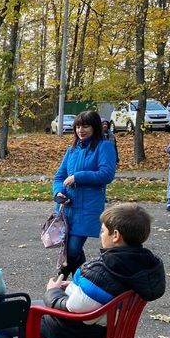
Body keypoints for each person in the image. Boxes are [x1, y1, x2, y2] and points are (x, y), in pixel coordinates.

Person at [0, 204, 166, 338]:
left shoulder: (104, 271)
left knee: (2, 323)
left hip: (83, 334)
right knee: (36, 311)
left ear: (116, 236)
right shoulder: (144, 265)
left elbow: (72, 309)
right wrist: (75, 287)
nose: (100, 234)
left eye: (103, 230)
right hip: (112, 333)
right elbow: (100, 295)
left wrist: (53, 291)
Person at [52, 110, 117, 279]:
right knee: (70, 247)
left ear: (95, 127)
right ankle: (80, 280)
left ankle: (61, 276)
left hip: (88, 207)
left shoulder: (105, 146)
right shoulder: (72, 150)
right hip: (67, 207)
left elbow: (106, 174)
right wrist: (58, 192)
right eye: (78, 126)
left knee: (73, 247)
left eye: (86, 126)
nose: (81, 130)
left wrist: (77, 177)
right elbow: (60, 176)